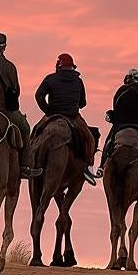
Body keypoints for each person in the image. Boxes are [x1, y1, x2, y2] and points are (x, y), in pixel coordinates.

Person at [32, 53, 98, 185]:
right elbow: (83, 103)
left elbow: (39, 95)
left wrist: (48, 111)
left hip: (53, 115)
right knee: (90, 138)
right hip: (73, 117)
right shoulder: (78, 81)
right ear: (72, 67)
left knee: (35, 132)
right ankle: (88, 168)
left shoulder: (50, 79)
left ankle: (29, 163)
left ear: (59, 66)